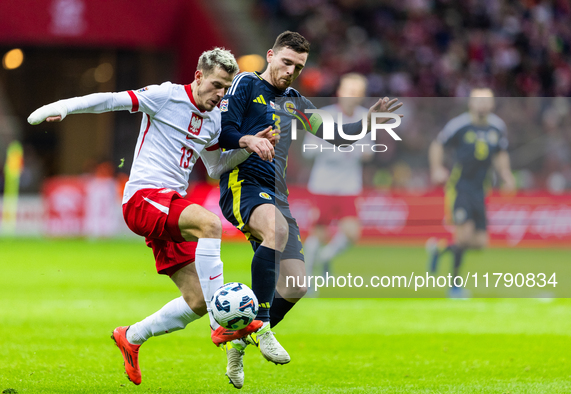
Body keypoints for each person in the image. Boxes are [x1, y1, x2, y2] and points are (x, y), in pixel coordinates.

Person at [27, 48, 277, 386]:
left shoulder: (215, 119)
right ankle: (222, 324)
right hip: (143, 199)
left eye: (225, 88)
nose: (220, 95)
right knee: (210, 224)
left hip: (169, 204)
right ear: (199, 76)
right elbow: (111, 100)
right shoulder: (166, 96)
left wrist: (247, 146)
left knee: (198, 299)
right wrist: (63, 107)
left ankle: (131, 336)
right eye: (216, 85)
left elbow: (216, 166)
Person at [217, 31, 403, 388]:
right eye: (286, 62)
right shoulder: (244, 83)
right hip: (244, 184)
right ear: (270, 55)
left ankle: (237, 341)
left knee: (297, 284)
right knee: (276, 230)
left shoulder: (294, 101)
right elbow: (223, 133)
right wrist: (250, 140)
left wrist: (368, 122)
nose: (290, 71)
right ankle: (263, 325)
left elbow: (334, 134)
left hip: (277, 194)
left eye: (298, 66)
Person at [427, 88, 515, 297]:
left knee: (480, 243)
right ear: (471, 103)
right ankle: (454, 286)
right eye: (479, 101)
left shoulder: (497, 126)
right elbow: (437, 145)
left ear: (492, 104)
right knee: (464, 235)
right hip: (460, 187)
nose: (483, 105)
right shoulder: (459, 125)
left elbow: (501, 153)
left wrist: (506, 174)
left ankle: (439, 249)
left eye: (487, 101)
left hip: (480, 190)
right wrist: (436, 168)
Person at [303, 73, 371, 282]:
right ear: (340, 92)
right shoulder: (323, 115)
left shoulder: (365, 116)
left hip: (349, 185)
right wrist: (335, 148)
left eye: (357, 93)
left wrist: (354, 150)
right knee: (319, 234)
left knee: (352, 233)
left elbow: (369, 151)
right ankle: (307, 279)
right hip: (323, 184)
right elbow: (307, 150)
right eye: (349, 91)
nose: (352, 96)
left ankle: (326, 257)